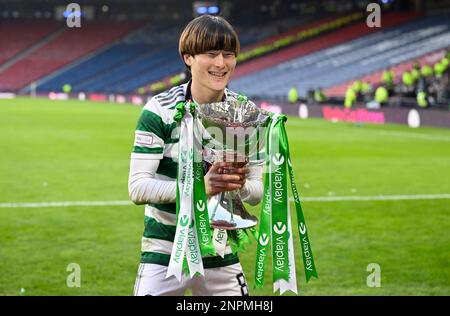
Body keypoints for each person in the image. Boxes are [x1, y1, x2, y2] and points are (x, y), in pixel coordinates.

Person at [128, 15, 263, 296]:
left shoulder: (246, 113)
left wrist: (236, 182)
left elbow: (256, 193)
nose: (221, 63)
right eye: (211, 54)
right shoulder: (161, 110)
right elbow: (137, 187)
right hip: (165, 251)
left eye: (229, 54)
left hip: (221, 252)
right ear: (188, 57)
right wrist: (201, 188)